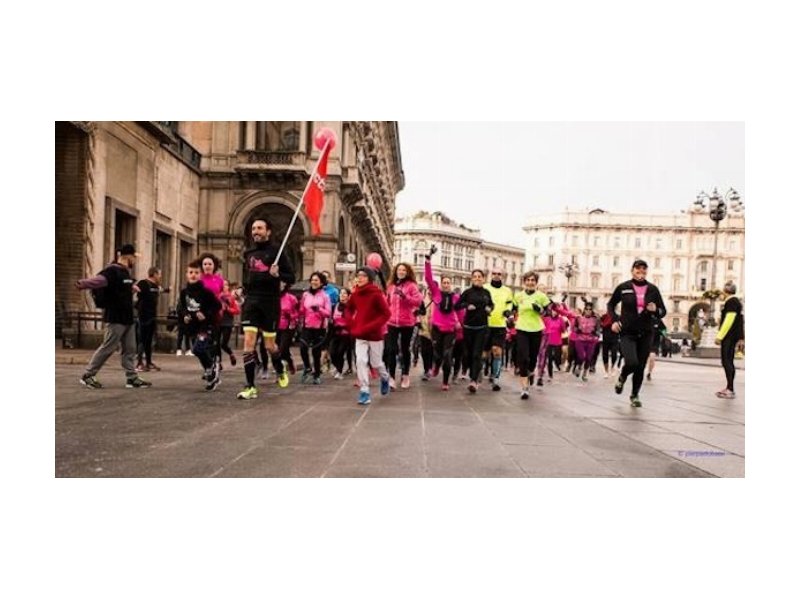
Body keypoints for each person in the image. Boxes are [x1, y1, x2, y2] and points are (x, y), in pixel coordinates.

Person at [77, 244, 152, 389]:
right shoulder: (112, 271)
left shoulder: (125, 273)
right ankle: (88, 375)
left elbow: (120, 290)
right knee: (108, 347)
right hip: (115, 317)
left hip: (128, 317)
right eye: (133, 258)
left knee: (130, 348)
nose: (134, 261)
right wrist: (82, 283)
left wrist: (132, 289)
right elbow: (99, 280)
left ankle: (132, 378)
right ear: (127, 256)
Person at [236, 218, 295, 400]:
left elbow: (291, 277)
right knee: (249, 343)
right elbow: (249, 278)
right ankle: (250, 386)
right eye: (253, 228)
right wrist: (241, 290)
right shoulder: (249, 253)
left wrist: (278, 274)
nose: (256, 231)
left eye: (260, 228)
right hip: (251, 302)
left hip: (270, 302)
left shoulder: (277, 252)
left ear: (268, 231)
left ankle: (280, 368)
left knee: (270, 345)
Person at [607, 259, 667, 407]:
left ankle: (634, 395)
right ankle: (622, 376)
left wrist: (656, 310)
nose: (640, 273)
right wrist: (615, 320)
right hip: (627, 332)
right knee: (632, 362)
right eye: (637, 270)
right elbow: (611, 304)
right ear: (632, 270)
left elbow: (663, 311)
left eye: (643, 270)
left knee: (640, 366)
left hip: (646, 332)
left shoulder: (653, 289)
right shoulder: (624, 287)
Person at [347, 266, 392, 405]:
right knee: (360, 361)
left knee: (376, 363)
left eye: (363, 276)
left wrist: (371, 326)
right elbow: (348, 309)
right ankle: (364, 391)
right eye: (358, 275)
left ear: (370, 279)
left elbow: (386, 314)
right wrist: (352, 323)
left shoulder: (376, 294)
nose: (359, 278)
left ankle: (385, 378)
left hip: (374, 334)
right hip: (360, 333)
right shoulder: (355, 294)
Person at [177, 260, 223, 391]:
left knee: (198, 349)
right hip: (192, 326)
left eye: (196, 273)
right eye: (190, 272)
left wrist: (205, 314)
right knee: (200, 351)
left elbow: (217, 306)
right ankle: (212, 373)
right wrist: (185, 315)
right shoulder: (184, 292)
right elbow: (181, 307)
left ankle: (211, 368)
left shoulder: (206, 292)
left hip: (206, 325)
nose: (193, 275)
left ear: (200, 275)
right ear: (186, 274)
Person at [423, 248, 461, 391]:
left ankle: (445, 381)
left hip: (450, 330)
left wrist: (460, 324)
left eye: (448, 283)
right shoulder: (436, 293)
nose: (446, 284)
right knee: (438, 354)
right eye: (444, 282)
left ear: (451, 284)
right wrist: (428, 260)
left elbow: (461, 311)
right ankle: (436, 365)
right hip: (437, 329)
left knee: (447, 355)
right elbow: (428, 277)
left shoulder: (456, 297)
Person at [384, 262, 423, 389]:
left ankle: (405, 375)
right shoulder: (391, 286)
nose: (401, 272)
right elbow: (387, 302)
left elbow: (418, 301)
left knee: (405, 349)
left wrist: (404, 296)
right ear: (395, 272)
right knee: (391, 349)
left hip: (407, 322)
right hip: (392, 322)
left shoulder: (412, 286)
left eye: (404, 270)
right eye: (399, 270)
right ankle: (391, 377)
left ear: (407, 273)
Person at [455, 269, 494, 393]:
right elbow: (457, 306)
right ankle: (474, 372)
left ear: (483, 279)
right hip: (468, 328)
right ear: (471, 279)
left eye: (479, 277)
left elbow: (492, 305)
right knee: (468, 354)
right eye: (475, 277)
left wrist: (489, 308)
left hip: (482, 328)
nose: (477, 278)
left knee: (477, 354)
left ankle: (473, 380)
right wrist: (467, 306)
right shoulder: (467, 292)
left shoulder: (486, 292)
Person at [513, 271, 550, 399]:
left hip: (536, 329)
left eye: (532, 280)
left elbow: (548, 312)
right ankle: (524, 388)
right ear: (524, 282)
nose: (530, 282)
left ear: (536, 282)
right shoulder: (518, 296)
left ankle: (531, 372)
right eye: (528, 280)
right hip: (522, 328)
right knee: (523, 357)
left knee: (532, 358)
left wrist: (540, 310)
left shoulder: (541, 296)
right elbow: (513, 309)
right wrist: (509, 316)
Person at [298, 272, 332, 384]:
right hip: (306, 326)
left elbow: (328, 313)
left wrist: (319, 310)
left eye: (316, 280)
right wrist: (298, 309)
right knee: (303, 347)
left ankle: (316, 374)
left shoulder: (325, 296)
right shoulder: (305, 295)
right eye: (312, 280)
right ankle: (307, 367)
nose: (314, 282)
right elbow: (302, 310)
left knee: (316, 353)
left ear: (321, 282)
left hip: (319, 327)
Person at [485, 267, 515, 391]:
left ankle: (496, 378)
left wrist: (508, 313)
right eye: (494, 273)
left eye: (499, 274)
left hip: (500, 325)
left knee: (497, 352)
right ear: (491, 275)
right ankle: (483, 371)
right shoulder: (485, 288)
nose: (496, 276)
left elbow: (509, 304)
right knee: (485, 354)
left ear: (503, 276)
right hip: (486, 324)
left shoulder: (507, 290)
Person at [715, 281, 745, 399]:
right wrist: (741, 337)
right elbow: (740, 321)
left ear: (725, 291)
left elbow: (729, 320)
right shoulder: (736, 302)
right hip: (733, 336)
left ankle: (730, 388)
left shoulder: (731, 302)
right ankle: (729, 387)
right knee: (729, 361)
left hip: (729, 336)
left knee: (726, 361)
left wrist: (720, 336)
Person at [135, 266, 168, 372]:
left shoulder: (156, 286)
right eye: (159, 274)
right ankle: (139, 363)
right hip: (143, 316)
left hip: (152, 316)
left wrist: (168, 290)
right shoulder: (143, 283)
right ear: (154, 274)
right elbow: (137, 294)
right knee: (142, 340)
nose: (161, 276)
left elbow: (161, 290)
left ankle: (148, 362)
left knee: (149, 340)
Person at [573, 303, 601, 382]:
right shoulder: (578, 318)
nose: (588, 311)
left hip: (591, 340)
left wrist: (596, 334)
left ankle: (585, 373)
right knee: (582, 356)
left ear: (592, 311)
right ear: (584, 310)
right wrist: (577, 330)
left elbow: (599, 329)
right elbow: (574, 328)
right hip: (580, 340)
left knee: (588, 358)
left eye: (590, 309)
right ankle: (579, 367)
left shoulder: (596, 319)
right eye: (586, 309)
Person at [277, 280, 300, 375]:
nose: (280, 285)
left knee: (282, 349)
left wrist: (291, 316)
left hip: (288, 327)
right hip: (275, 326)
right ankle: (290, 361)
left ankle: (281, 372)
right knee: (277, 349)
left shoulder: (292, 298)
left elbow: (298, 313)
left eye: (282, 283)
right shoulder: (273, 297)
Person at [330, 287, 353, 379]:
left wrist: (344, 325)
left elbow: (352, 320)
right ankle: (336, 366)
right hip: (335, 333)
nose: (342, 295)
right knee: (332, 352)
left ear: (348, 296)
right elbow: (331, 318)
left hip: (346, 334)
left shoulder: (351, 307)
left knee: (340, 352)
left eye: (344, 294)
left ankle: (339, 371)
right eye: (341, 294)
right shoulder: (335, 306)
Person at [219, 280, 240, 367]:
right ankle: (218, 362)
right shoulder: (218, 296)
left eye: (226, 285)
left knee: (223, 343)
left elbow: (237, 310)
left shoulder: (231, 298)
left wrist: (228, 309)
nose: (224, 287)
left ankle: (231, 354)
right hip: (218, 322)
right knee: (216, 343)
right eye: (223, 285)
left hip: (227, 323)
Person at [600, 310, 620, 379]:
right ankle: (606, 371)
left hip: (615, 338)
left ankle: (612, 367)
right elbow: (600, 324)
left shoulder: (617, 317)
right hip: (605, 338)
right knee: (605, 355)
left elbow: (621, 326)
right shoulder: (604, 317)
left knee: (614, 354)